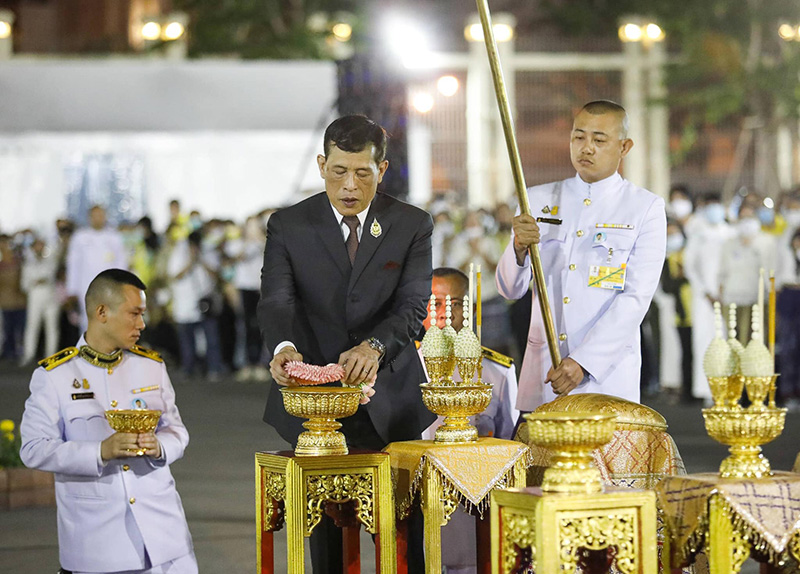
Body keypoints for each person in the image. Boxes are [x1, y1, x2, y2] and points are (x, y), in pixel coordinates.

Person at [258, 114, 434, 573]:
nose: (350, 185)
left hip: (391, 400)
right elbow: (277, 298)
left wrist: (374, 347)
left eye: (363, 173)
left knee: (405, 531)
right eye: (338, 171)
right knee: (326, 536)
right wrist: (283, 349)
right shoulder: (289, 225)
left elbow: (414, 306)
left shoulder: (411, 224)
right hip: (317, 400)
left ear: (383, 169)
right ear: (321, 165)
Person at [20, 268, 197, 574]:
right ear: (102, 312)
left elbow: (176, 431)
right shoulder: (56, 375)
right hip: (98, 544)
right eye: (134, 313)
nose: (142, 323)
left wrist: (159, 446)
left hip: (166, 539)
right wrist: (100, 451)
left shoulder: (150, 366)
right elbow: (33, 448)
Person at [496, 100, 667, 412]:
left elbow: (636, 298)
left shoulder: (644, 208)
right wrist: (518, 248)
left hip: (606, 377)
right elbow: (510, 289)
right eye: (579, 137)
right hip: (546, 373)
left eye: (599, 140)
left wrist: (583, 362)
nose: (586, 148)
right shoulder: (536, 199)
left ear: (624, 147)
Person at [683, 192, 734, 401]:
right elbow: (689, 266)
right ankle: (706, 391)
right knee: (704, 342)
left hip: (728, 295)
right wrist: (705, 291)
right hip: (703, 298)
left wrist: (724, 290)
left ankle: (728, 389)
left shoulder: (731, 233)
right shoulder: (698, 233)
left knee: (727, 341)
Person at [65, 205, 128, 332]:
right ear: (90, 217)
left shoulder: (114, 237)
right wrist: (72, 289)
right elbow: (73, 264)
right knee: (88, 321)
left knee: (110, 320)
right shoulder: (80, 237)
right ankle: (87, 350)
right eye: (95, 216)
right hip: (86, 286)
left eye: (101, 215)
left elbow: (121, 263)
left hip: (110, 288)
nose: (98, 218)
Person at [21, 237, 61, 365]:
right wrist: (37, 281)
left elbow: (51, 276)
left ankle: (51, 355)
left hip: (50, 296)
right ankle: (28, 354)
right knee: (32, 326)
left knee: (52, 327)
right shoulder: (28, 264)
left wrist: (39, 280)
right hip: (35, 297)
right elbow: (24, 285)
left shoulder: (50, 261)